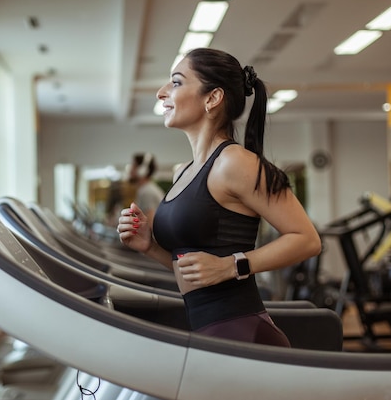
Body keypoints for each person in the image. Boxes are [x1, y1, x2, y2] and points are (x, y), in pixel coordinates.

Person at [117, 48, 321, 347]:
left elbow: (307, 239)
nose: (162, 93)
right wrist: (150, 246)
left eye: (175, 83)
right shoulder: (182, 173)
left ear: (212, 98)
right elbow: (195, 274)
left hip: (242, 333)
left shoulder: (234, 162)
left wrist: (232, 265)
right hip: (207, 331)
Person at [128, 152, 165, 225]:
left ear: (142, 170)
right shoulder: (147, 189)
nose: (130, 170)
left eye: (134, 166)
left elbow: (149, 225)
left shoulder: (147, 192)